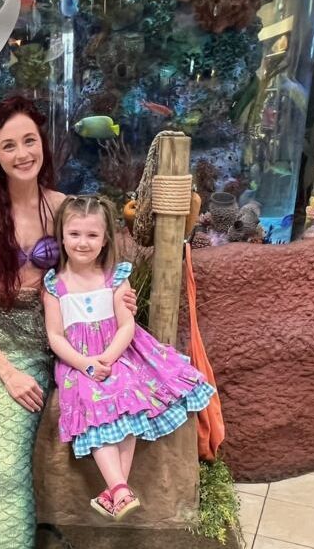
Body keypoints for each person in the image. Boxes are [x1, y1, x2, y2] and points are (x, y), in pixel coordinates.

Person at [0, 97, 135, 548]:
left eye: (30, 140)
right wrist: (7, 373)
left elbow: (96, 264)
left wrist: (116, 293)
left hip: (56, 333)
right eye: (8, 145)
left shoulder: (64, 208)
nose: (22, 153)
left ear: (43, 145)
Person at [42, 195, 215, 520]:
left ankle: (116, 490)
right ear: (61, 236)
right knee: (92, 402)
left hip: (119, 352)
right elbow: (55, 336)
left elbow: (126, 325)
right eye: (75, 234)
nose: (82, 243)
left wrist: (107, 357)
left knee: (129, 393)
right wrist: (85, 363)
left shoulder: (117, 279)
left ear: (105, 238)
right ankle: (120, 487)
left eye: (92, 235)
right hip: (77, 362)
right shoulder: (55, 286)